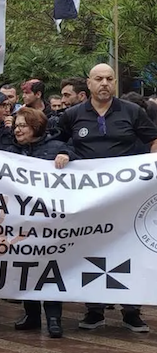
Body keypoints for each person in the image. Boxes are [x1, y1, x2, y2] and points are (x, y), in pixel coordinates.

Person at [57, 63, 157, 333]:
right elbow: (57, 141)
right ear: (88, 84)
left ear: (114, 83)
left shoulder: (133, 112)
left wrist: (151, 165)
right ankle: (94, 310)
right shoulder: (73, 114)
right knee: (91, 248)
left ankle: (132, 311)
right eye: (98, 79)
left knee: (128, 249)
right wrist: (63, 153)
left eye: (109, 79)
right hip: (87, 198)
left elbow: (153, 140)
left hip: (126, 198)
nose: (104, 83)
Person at [4, 107, 73, 338]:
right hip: (21, 222)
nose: (17, 129)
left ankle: (53, 318)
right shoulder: (10, 150)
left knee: (50, 268)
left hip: (49, 221)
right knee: (26, 268)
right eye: (16, 125)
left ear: (35, 126)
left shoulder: (55, 148)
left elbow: (81, 167)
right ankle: (31, 314)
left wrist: (67, 156)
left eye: (22, 125)